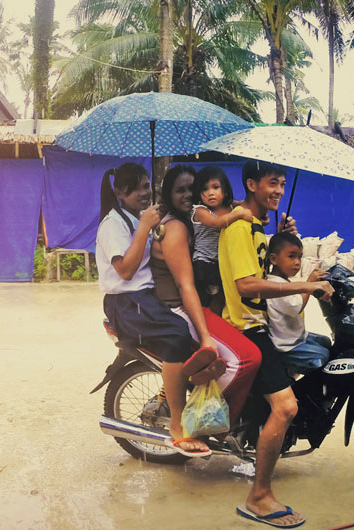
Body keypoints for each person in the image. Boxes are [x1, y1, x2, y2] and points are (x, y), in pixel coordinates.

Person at [219, 159, 334, 529]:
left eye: (282, 184)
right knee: (285, 407)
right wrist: (304, 285)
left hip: (259, 324)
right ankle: (258, 496)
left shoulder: (255, 227)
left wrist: (278, 235)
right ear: (251, 184)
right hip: (246, 328)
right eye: (272, 183)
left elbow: (264, 263)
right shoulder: (239, 225)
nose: (279, 191)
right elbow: (247, 285)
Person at [95, 162, 214, 458]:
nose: (143, 193)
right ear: (120, 192)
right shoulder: (113, 224)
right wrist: (146, 227)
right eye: (135, 189)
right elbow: (124, 270)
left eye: (147, 186)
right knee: (176, 334)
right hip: (126, 301)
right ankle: (176, 424)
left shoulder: (137, 217)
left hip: (144, 298)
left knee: (189, 332)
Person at [150, 164, 261, 428]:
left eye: (192, 188)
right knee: (246, 359)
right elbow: (186, 286)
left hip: (198, 299)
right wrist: (206, 336)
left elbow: (229, 205)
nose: (189, 195)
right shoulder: (176, 227)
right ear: (168, 194)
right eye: (181, 190)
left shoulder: (189, 219)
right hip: (183, 306)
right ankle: (206, 418)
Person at [266, 232, 332, 373]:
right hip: (286, 346)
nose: (297, 262)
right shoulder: (274, 285)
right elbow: (296, 306)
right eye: (291, 256)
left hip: (297, 336)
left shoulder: (284, 281)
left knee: (326, 342)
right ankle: (311, 392)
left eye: (299, 257)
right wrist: (309, 284)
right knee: (322, 356)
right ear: (273, 259)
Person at [190, 166, 253, 314]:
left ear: (225, 191)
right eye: (204, 189)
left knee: (224, 296)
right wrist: (238, 215)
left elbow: (247, 206)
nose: (210, 193)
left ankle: (218, 323)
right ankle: (213, 326)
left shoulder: (230, 207)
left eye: (216, 187)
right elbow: (216, 223)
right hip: (205, 263)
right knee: (214, 299)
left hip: (222, 263)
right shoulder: (200, 211)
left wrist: (262, 217)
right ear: (199, 194)